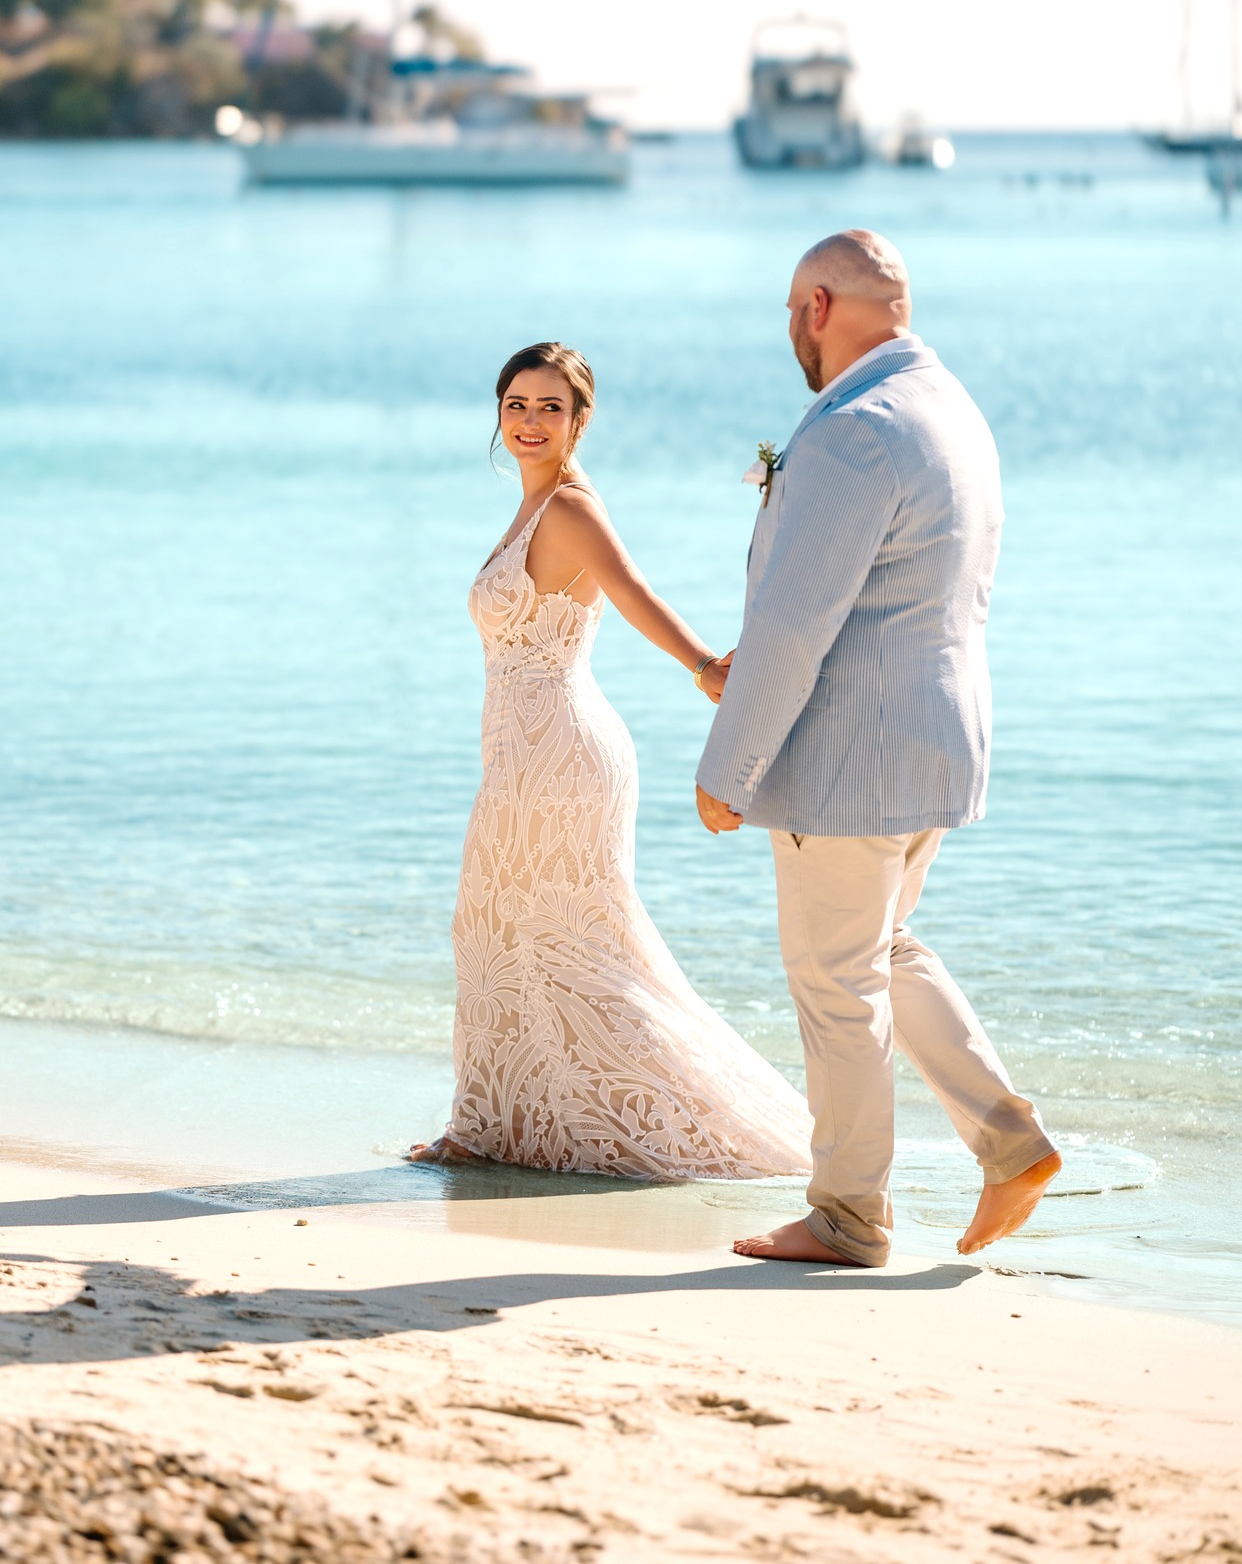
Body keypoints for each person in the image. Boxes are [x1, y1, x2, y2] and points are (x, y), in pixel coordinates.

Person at [695, 231, 1060, 1266]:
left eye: (790, 312)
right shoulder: (952, 409)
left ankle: (848, 1215)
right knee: (881, 948)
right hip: (934, 738)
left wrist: (729, 766)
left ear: (818, 304)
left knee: (834, 981)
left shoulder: (855, 427)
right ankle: (1010, 1143)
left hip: (848, 754)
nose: (791, 332)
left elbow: (797, 619)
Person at [411, 341, 810, 1179]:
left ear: (580, 421)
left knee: (569, 940)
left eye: (549, 408)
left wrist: (703, 665)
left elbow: (633, 593)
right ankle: (496, 1121)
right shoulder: (532, 506)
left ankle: (515, 1126)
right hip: (522, 751)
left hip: (560, 752)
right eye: (516, 405)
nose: (529, 422)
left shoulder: (569, 509)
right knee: (497, 927)